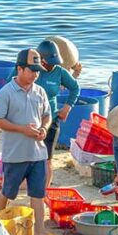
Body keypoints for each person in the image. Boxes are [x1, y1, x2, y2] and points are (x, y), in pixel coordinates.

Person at [0, 48, 62, 235]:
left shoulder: (40, 91)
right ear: (19, 69)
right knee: (8, 191)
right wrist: (22, 129)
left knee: (38, 193)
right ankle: (1, 224)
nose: (35, 74)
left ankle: (40, 228)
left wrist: (45, 128)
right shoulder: (6, 92)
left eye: (37, 70)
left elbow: (47, 115)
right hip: (15, 153)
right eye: (31, 70)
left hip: (38, 153)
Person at [35, 39, 82, 189]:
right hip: (30, 119)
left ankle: (44, 190)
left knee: (47, 159)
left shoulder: (59, 72)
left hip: (52, 119)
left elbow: (75, 88)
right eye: (49, 62)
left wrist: (67, 107)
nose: (51, 66)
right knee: (29, 158)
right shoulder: (30, 70)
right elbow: (11, 85)